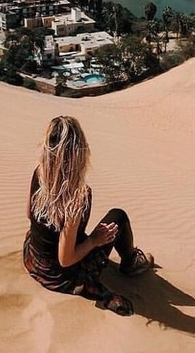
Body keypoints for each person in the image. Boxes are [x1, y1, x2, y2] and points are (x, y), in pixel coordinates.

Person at [23, 115, 153, 316]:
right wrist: (94, 240)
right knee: (118, 216)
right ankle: (130, 262)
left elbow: (29, 214)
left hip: (35, 259)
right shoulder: (77, 195)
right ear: (79, 152)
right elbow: (66, 259)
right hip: (61, 273)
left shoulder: (39, 173)